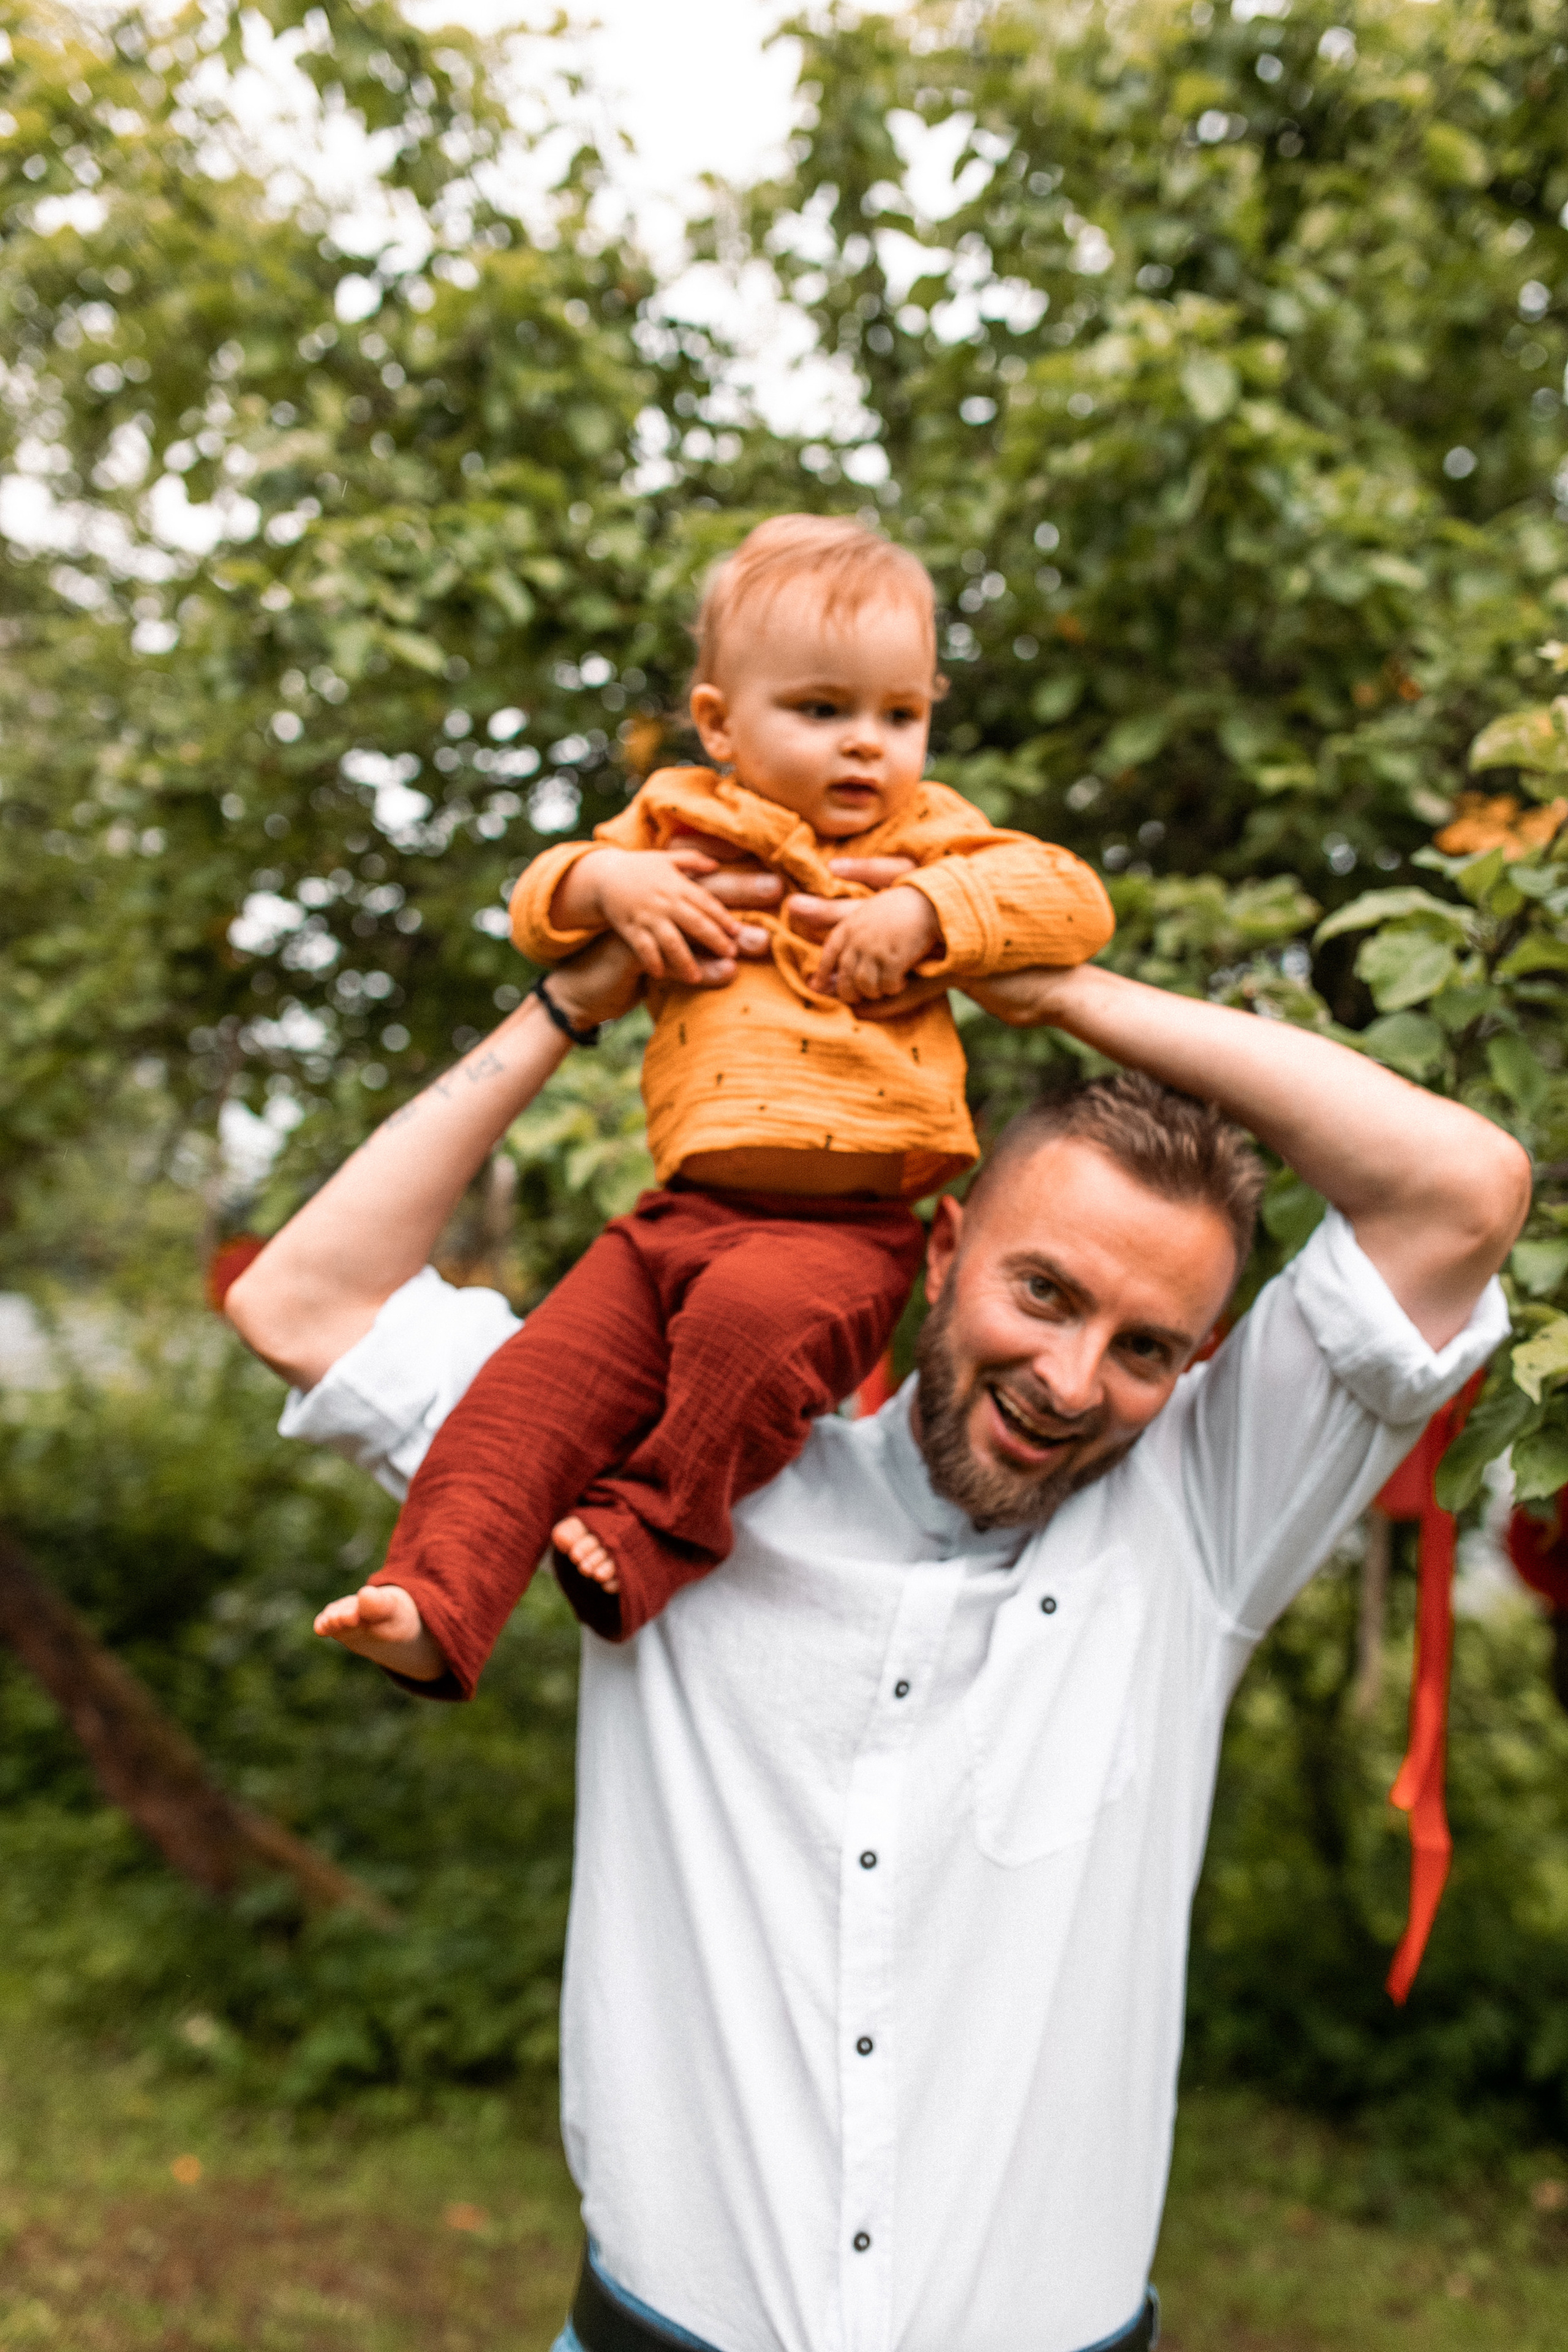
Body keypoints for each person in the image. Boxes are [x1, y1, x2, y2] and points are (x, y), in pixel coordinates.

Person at [225, 905, 1527, 2352]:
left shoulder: (1200, 1527)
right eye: (1044, 1292)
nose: (1072, 1380)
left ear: (1195, 1363)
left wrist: (1056, 984)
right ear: (940, 1249)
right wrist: (563, 1006)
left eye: (1145, 1347)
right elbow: (306, 1297)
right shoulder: (674, 1475)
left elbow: (1461, 1187)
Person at [370, 515, 1114, 1675]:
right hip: (676, 1220)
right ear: (719, 721)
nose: (868, 746)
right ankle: (433, 1600)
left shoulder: (932, 841)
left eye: (900, 715)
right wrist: (608, 881)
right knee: (530, 1390)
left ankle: (662, 1528)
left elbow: (1071, 901)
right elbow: (537, 902)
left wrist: (928, 916)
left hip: (845, 1233)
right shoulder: (673, 823)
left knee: (749, 1333)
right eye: (823, 710)